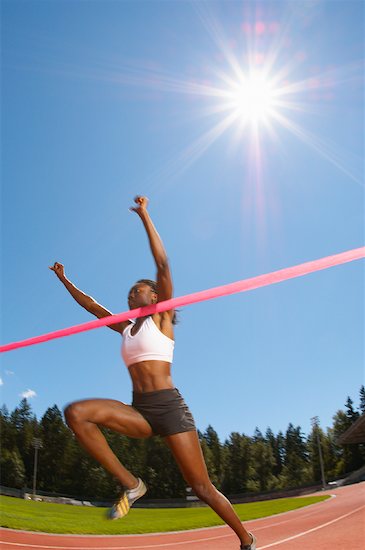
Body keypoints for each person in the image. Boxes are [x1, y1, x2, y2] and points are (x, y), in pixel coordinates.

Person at [49, 196, 256, 550]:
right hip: (140, 410)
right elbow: (92, 307)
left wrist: (145, 215)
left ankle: (245, 538)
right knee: (77, 414)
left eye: (139, 288)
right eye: (130, 290)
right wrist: (64, 279)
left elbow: (162, 263)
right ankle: (131, 484)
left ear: (155, 294)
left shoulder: (162, 317)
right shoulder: (126, 327)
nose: (132, 292)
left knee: (202, 488)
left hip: (170, 409)